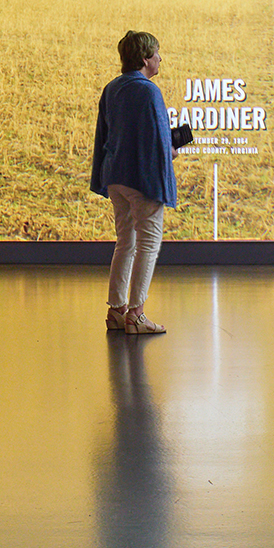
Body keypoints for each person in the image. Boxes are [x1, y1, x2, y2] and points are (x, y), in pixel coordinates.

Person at [91, 30, 177, 335]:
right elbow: (158, 139)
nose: (160, 58)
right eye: (156, 53)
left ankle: (116, 311)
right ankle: (137, 315)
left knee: (124, 242)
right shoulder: (149, 92)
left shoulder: (111, 88)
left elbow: (105, 134)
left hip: (115, 177)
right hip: (142, 178)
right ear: (144, 58)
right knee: (149, 244)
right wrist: (172, 152)